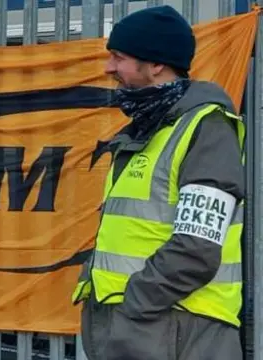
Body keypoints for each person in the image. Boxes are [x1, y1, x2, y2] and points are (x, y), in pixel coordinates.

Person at [71, 5, 245, 360]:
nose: (108, 68)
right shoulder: (150, 127)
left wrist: (133, 307)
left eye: (118, 57)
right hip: (143, 330)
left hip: (177, 331)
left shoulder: (207, 128)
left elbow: (196, 248)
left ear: (155, 64)